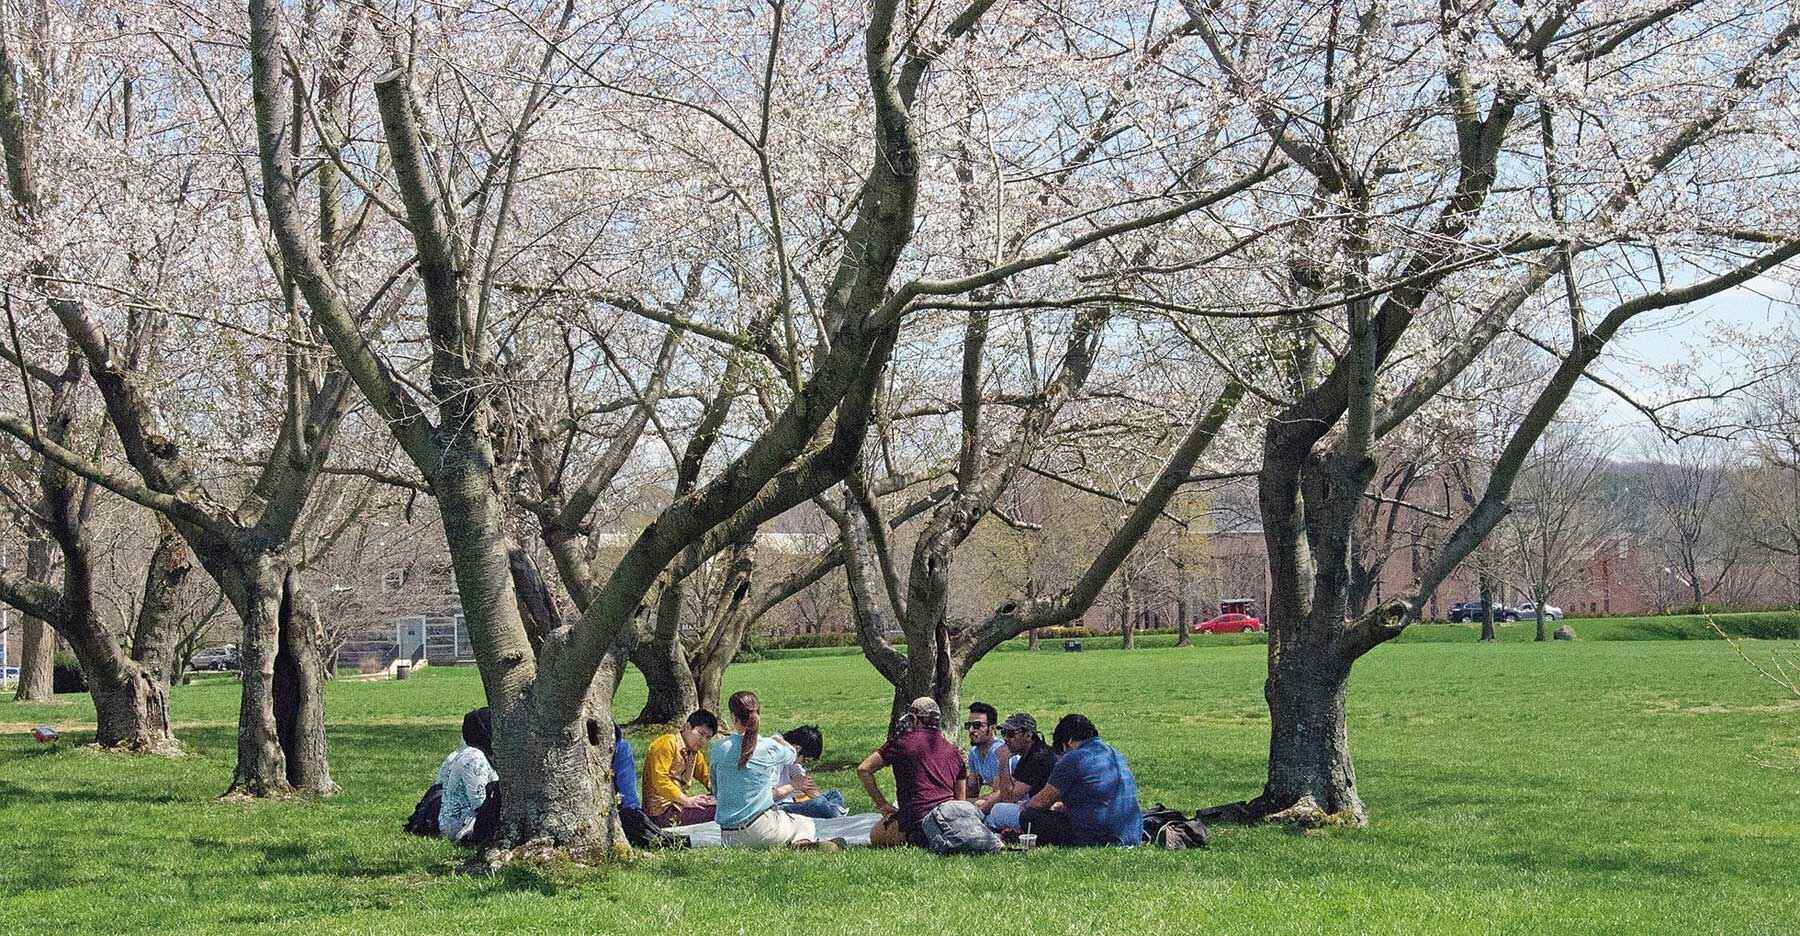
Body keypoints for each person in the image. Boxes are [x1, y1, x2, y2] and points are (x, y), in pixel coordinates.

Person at [709, 691, 831, 848]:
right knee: (804, 822)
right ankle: (802, 844)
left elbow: (716, 789)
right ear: (758, 714)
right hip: (761, 830)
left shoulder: (718, 748)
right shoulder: (770, 747)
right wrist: (779, 740)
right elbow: (793, 755)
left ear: (733, 717)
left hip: (728, 836)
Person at [1018, 714, 1144, 847]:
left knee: (1029, 816)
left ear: (1069, 741)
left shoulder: (1073, 758)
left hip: (1099, 836)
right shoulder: (1115, 754)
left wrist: (1024, 807)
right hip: (1132, 834)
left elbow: (1041, 802)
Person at [858, 697, 968, 848]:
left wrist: (882, 804)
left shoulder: (901, 743)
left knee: (875, 833)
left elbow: (864, 769)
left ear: (914, 718)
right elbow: (960, 802)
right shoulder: (954, 752)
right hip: (949, 822)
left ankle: (916, 838)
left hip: (915, 822)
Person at [976, 712, 1056, 831]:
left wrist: (1003, 761)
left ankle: (981, 826)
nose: (1006, 739)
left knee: (998, 811)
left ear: (1028, 734)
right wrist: (983, 807)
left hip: (1047, 813)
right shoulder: (1029, 754)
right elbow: (1005, 791)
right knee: (986, 805)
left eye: (1011, 734)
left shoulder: (1039, 757)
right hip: (1035, 808)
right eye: (1004, 733)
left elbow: (1009, 798)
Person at [641, 710, 719, 827]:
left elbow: (707, 778)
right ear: (687, 727)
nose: (703, 740)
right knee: (721, 810)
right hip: (661, 813)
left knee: (724, 804)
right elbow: (660, 781)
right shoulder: (666, 743)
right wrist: (687, 801)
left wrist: (720, 793)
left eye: (708, 737)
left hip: (679, 806)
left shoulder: (695, 754)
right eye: (700, 734)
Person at [436, 707, 499, 844]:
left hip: (449, 820)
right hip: (461, 824)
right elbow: (479, 802)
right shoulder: (475, 758)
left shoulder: (459, 753)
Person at [773, 725, 849, 819]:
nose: (802, 763)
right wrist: (794, 785)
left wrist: (818, 797)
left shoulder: (791, 758)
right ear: (797, 748)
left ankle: (833, 812)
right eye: (805, 760)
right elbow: (769, 796)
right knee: (819, 805)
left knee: (834, 794)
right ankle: (835, 813)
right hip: (777, 808)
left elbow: (802, 780)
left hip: (791, 801)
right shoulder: (773, 756)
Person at [964, 702, 1009, 800]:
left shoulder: (999, 752)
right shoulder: (974, 752)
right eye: (968, 725)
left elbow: (1000, 794)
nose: (971, 730)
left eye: (977, 725)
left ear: (992, 728)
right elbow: (972, 788)